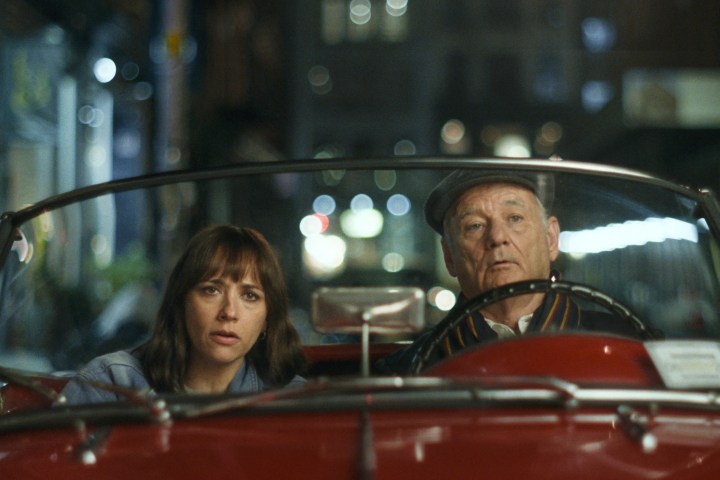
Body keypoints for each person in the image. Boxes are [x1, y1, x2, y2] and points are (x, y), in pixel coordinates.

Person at [377, 168, 638, 374]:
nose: (497, 237)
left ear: (550, 239)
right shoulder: (410, 372)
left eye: (515, 218)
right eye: (475, 226)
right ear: (449, 256)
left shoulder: (629, 348)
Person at [60, 225, 307, 404]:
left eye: (250, 296)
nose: (229, 312)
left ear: (267, 319)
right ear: (181, 302)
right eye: (211, 290)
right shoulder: (111, 383)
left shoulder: (293, 400)